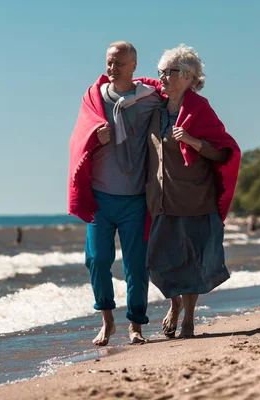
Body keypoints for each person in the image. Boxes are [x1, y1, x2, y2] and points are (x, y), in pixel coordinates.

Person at [68, 41, 163, 345]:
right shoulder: (94, 98)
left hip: (135, 196)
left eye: (118, 63)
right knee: (97, 259)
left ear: (133, 66)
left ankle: (136, 325)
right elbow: (78, 138)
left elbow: (177, 101)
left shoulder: (150, 99)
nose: (111, 69)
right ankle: (107, 321)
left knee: (136, 265)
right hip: (101, 196)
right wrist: (94, 139)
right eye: (109, 63)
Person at [145, 44, 241, 339]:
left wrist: (193, 141)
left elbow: (224, 153)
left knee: (192, 263)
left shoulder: (199, 108)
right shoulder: (153, 109)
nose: (163, 76)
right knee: (158, 262)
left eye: (170, 72)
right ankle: (173, 304)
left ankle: (188, 317)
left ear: (188, 77)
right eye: (160, 71)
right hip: (161, 198)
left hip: (195, 198)